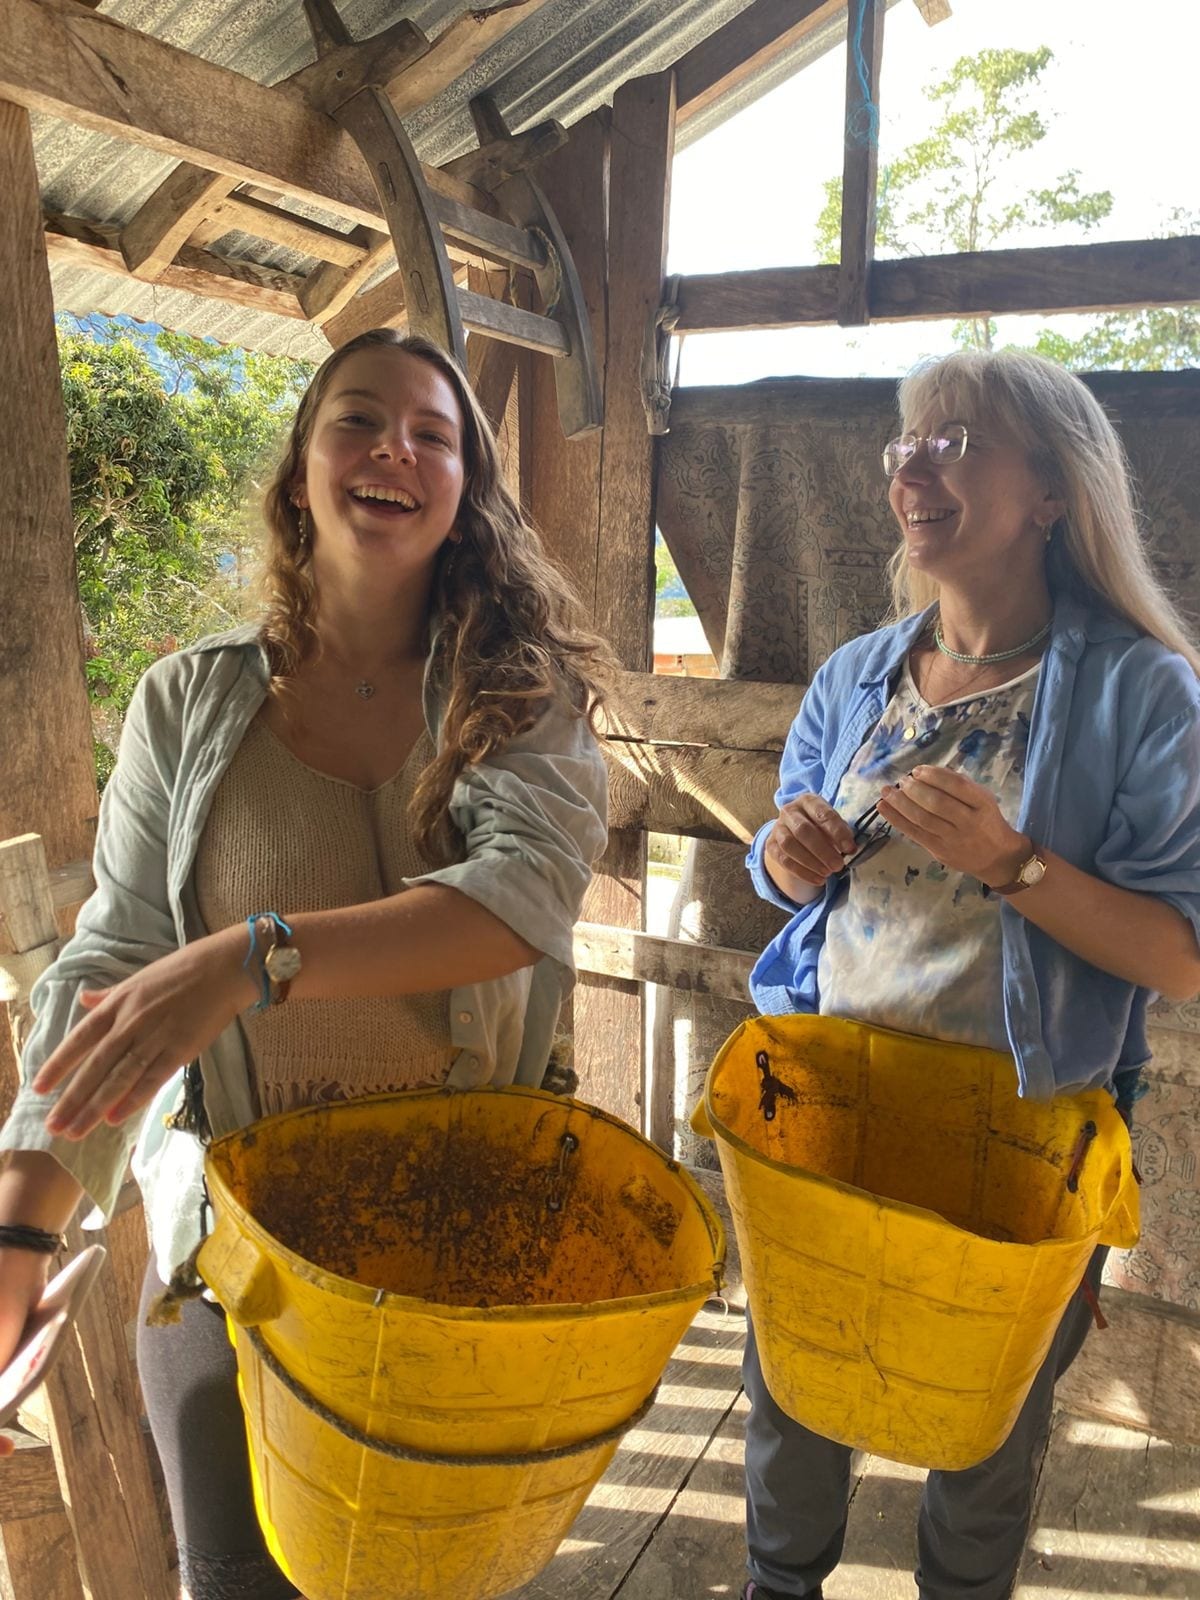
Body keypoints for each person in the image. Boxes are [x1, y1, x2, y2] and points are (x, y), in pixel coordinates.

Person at [0, 329, 609, 1600]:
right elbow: (113, 964)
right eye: (358, 420)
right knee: (235, 1579)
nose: (394, 448)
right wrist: (13, 1227)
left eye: (432, 434)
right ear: (299, 472)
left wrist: (252, 958)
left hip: (462, 1249)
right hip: (238, 1254)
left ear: (465, 494)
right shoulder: (185, 699)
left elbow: (519, 899)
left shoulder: (516, 697)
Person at [740, 349, 1200, 1600]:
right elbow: (779, 876)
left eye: (956, 441)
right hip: (831, 1098)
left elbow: (1180, 954)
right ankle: (780, 1586)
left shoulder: (1142, 692)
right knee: (796, 1385)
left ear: (1053, 493)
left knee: (985, 1425)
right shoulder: (858, 676)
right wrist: (785, 858)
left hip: (1023, 1124)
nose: (914, 466)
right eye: (909, 443)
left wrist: (1015, 864)